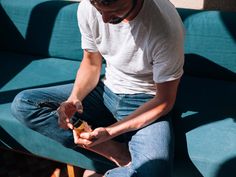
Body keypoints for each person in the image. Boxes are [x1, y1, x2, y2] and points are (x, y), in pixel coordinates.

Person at [11, 0, 184, 176]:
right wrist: (74, 98)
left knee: (155, 171)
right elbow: (92, 63)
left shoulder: (164, 28)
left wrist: (110, 131)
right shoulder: (88, 7)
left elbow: (164, 101)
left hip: (146, 100)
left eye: (114, 12)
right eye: (99, 9)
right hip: (105, 88)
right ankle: (119, 154)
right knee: (24, 103)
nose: (105, 19)